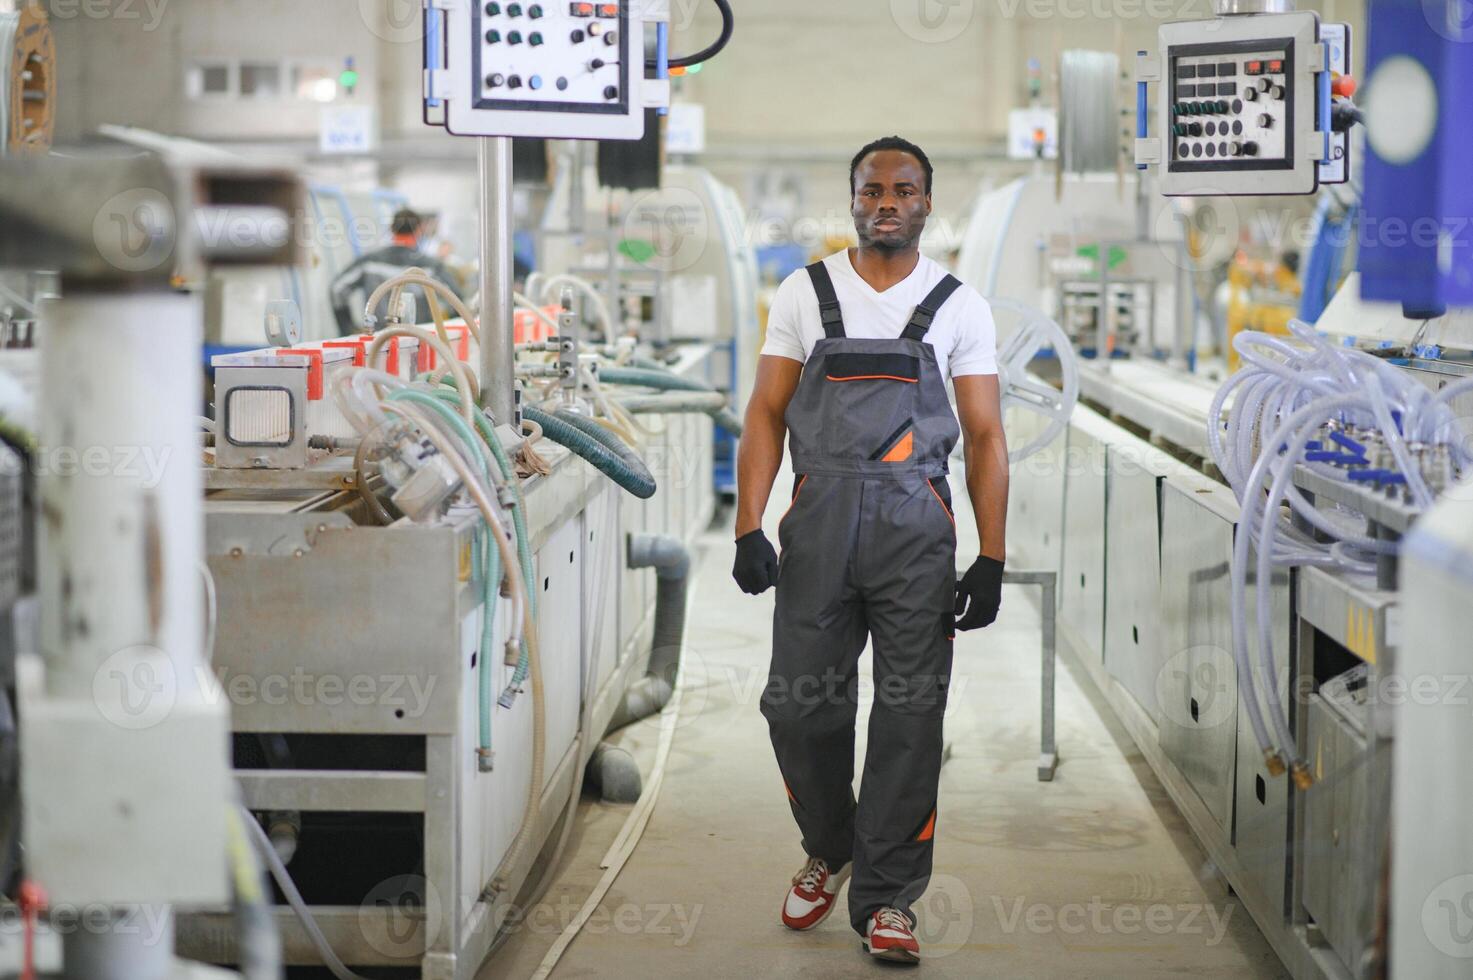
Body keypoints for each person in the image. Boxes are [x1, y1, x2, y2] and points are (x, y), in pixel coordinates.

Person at [732, 136, 1009, 963]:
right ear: (852, 198)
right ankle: (832, 843)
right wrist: (747, 523)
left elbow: (987, 435)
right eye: (871, 188)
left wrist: (992, 555)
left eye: (904, 188)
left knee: (910, 716)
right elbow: (764, 414)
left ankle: (887, 900)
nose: (886, 200)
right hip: (817, 523)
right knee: (796, 704)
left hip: (914, 531)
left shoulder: (958, 304)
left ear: (927, 201)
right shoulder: (803, 291)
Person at [329, 208, 462, 336]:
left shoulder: (370, 263)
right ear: (418, 231)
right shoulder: (429, 266)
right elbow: (455, 299)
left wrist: (347, 328)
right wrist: (447, 330)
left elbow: (337, 290)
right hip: (419, 341)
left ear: (392, 229)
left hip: (377, 342)